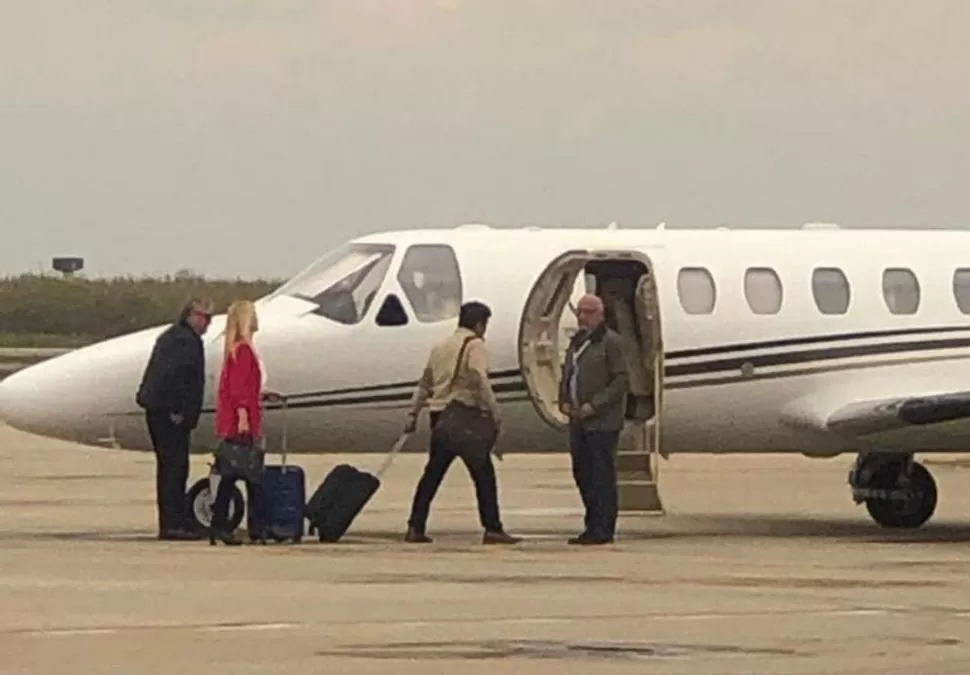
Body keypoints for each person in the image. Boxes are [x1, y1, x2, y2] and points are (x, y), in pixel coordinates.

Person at [403, 301, 520, 545]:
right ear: (479, 324)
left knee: (432, 474)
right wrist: (495, 411)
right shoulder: (475, 345)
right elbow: (479, 377)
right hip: (463, 417)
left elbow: (424, 384)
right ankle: (492, 528)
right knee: (483, 475)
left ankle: (415, 525)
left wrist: (413, 415)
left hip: (439, 417)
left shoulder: (440, 346)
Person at [136, 297, 213, 540]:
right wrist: (178, 410)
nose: (207, 323)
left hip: (163, 411)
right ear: (190, 315)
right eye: (204, 317)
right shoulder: (183, 341)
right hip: (168, 414)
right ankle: (172, 525)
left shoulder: (175, 337)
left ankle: (174, 521)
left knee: (173, 467)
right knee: (173, 468)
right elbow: (173, 378)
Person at [559, 293, 629, 545]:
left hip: (603, 422)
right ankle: (591, 524)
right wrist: (564, 399)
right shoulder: (577, 342)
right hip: (578, 420)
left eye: (588, 312)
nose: (582, 317)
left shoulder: (612, 343)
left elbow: (621, 380)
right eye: (580, 312)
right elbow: (568, 372)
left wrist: (595, 405)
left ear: (601, 315)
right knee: (582, 473)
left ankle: (604, 529)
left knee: (602, 474)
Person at [210, 299, 272, 546]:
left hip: (236, 417)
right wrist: (245, 415)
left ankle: (220, 526)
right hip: (241, 420)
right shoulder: (243, 350)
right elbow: (238, 389)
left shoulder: (235, 350)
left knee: (230, 475)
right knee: (251, 475)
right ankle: (257, 527)